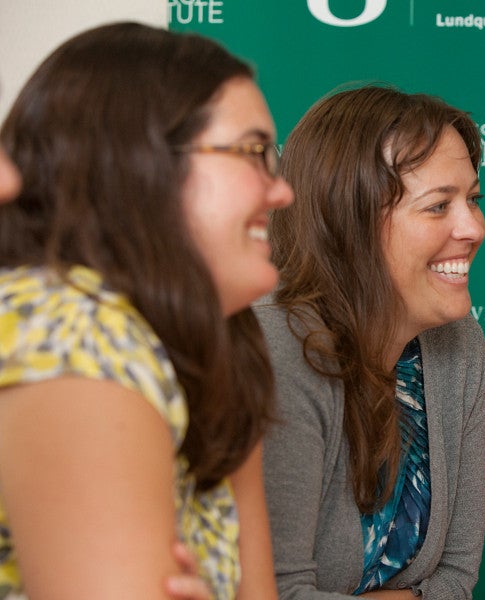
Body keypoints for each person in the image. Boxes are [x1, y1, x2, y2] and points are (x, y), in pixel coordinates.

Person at [0, 22, 293, 600]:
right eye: (253, 152)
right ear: (138, 164)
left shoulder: (225, 348)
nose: (281, 191)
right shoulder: (70, 328)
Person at [255, 85, 485, 599]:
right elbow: (273, 593)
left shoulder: (460, 345)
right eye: (437, 207)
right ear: (349, 223)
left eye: (473, 199)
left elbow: (455, 578)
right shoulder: (276, 346)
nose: (473, 227)